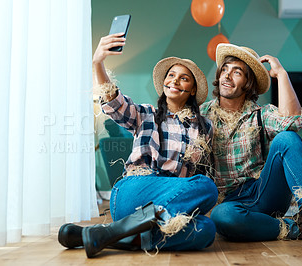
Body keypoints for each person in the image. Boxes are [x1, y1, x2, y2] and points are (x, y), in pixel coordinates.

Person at [57, 33, 218, 258]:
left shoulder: (205, 128)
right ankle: (117, 230)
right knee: (207, 186)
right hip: (133, 192)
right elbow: (113, 101)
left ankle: (108, 235)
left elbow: (201, 172)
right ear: (164, 83)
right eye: (171, 75)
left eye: (184, 78)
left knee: (206, 230)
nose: (174, 80)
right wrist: (98, 63)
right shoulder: (145, 114)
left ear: (192, 90)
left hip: (171, 205)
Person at [200, 43, 302, 253]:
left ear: (248, 83)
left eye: (237, 72)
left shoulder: (260, 114)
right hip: (230, 203)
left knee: (287, 137)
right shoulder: (202, 114)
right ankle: (301, 226)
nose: (227, 76)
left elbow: (294, 122)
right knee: (222, 217)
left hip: (264, 192)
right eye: (224, 70)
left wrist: (281, 75)